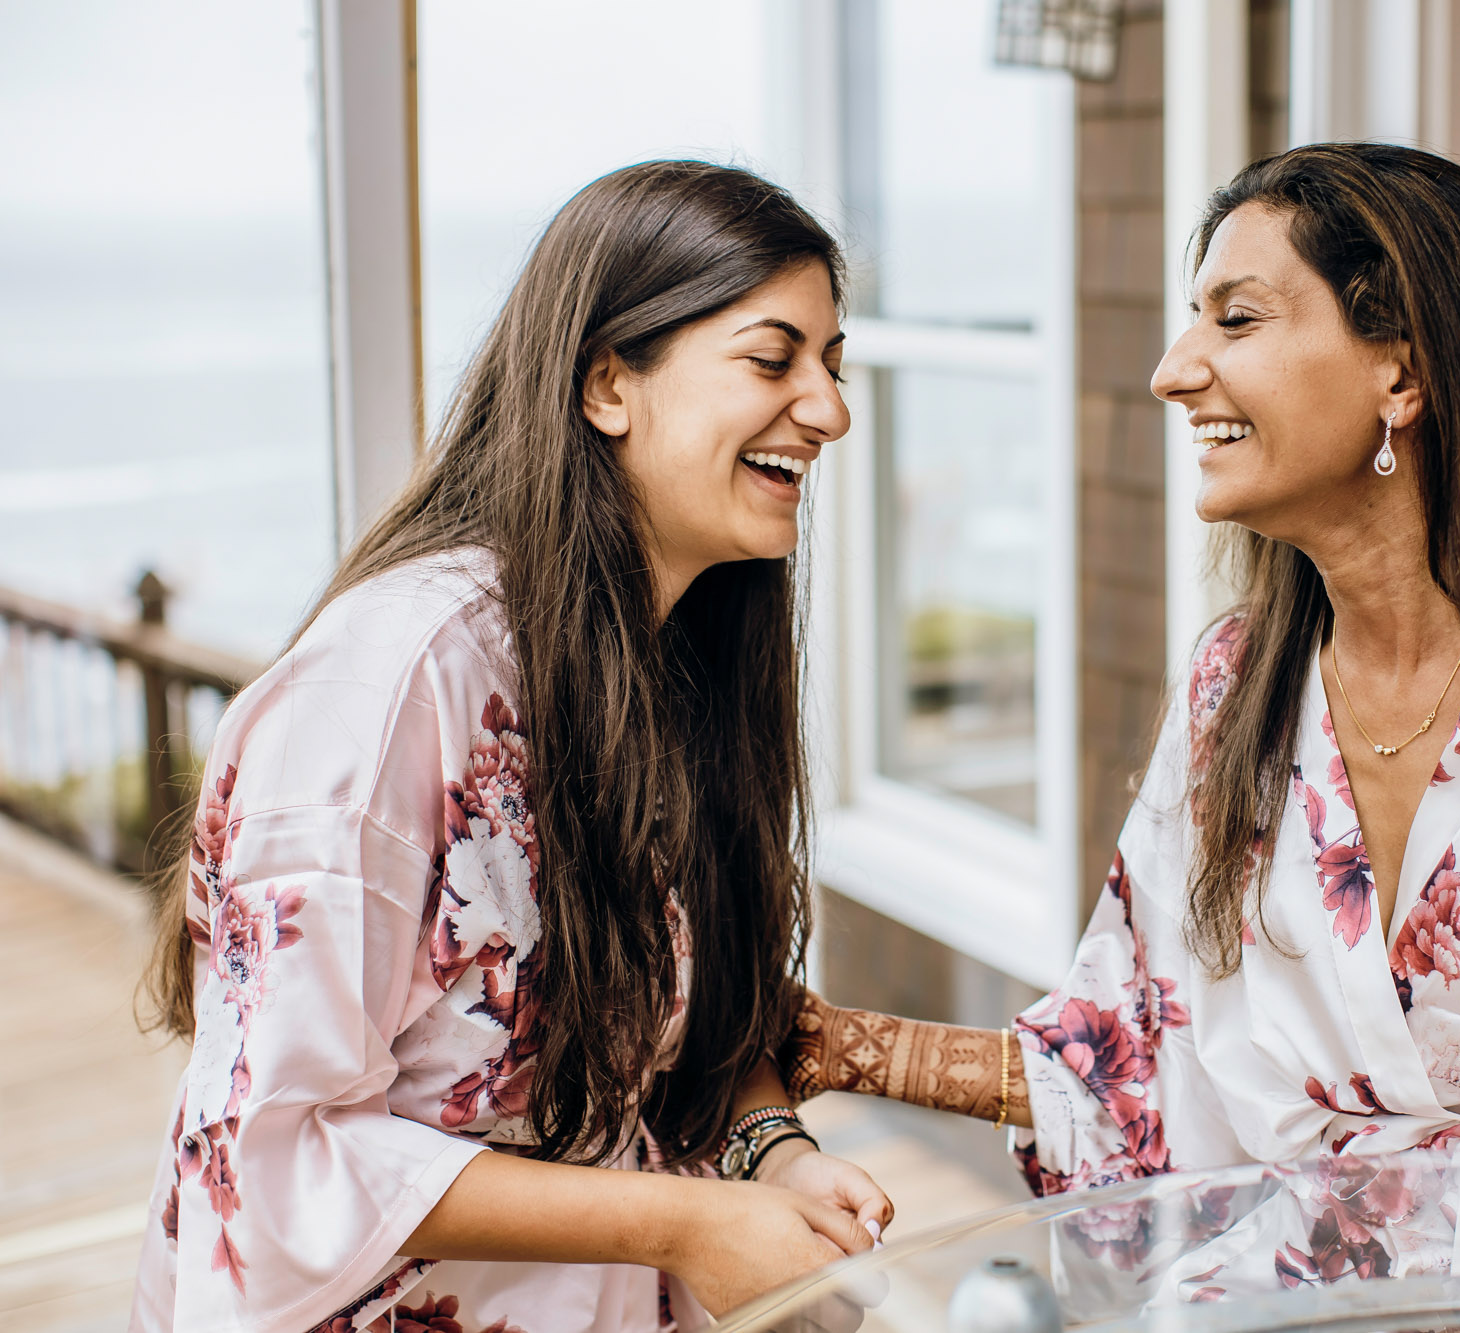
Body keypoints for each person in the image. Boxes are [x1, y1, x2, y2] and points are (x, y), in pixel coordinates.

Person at [783, 143, 1460, 1214]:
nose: (1176, 370)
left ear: (1400, 369)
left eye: (1235, 318)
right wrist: (829, 1045)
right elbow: (1130, 1068)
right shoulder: (1235, 692)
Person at [132, 161, 891, 1333]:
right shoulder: (389, 684)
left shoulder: (673, 656)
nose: (831, 408)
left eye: (833, 365)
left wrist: (770, 1147)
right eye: (772, 356)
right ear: (606, 384)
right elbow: (277, 1155)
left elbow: (682, 1002)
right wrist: (682, 1224)